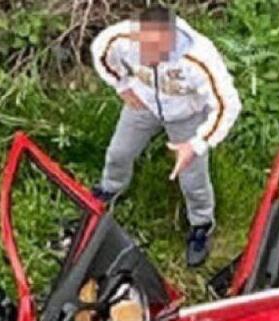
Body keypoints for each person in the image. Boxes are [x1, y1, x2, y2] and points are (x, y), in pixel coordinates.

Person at [90, 6, 242, 267]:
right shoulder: (121, 38)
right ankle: (109, 192)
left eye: (156, 53)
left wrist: (196, 143)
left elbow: (229, 105)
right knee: (118, 153)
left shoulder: (199, 58)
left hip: (186, 114)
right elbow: (100, 50)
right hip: (144, 103)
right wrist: (122, 86)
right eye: (143, 51)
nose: (148, 59)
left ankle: (202, 225)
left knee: (193, 178)